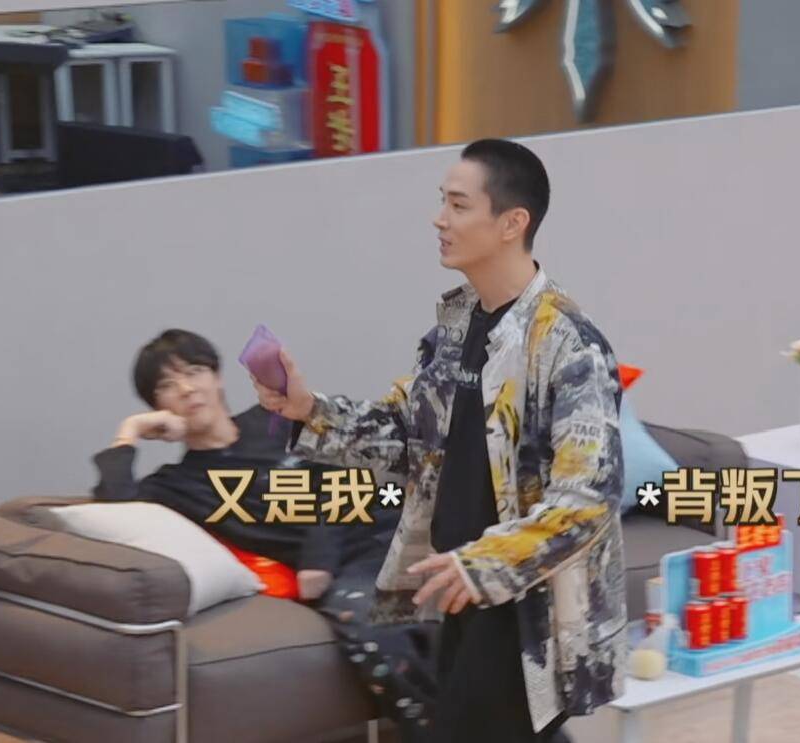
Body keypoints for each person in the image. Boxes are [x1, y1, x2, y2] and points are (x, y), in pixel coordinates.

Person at [252, 138, 627, 743]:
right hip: (457, 592)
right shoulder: (454, 329)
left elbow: (587, 501)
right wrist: (308, 410)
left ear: (512, 223)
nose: (439, 219)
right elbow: (406, 438)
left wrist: (480, 565)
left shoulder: (568, 345)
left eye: (458, 205)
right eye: (442, 202)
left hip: (521, 609)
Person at [92, 329, 438, 741]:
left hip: (384, 525)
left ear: (217, 377)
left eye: (195, 371)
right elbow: (117, 508)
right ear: (158, 407)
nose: (186, 389)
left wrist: (317, 559)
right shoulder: (177, 484)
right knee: (376, 628)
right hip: (354, 569)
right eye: (167, 385)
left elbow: (337, 476)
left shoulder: (274, 420)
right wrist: (129, 431)